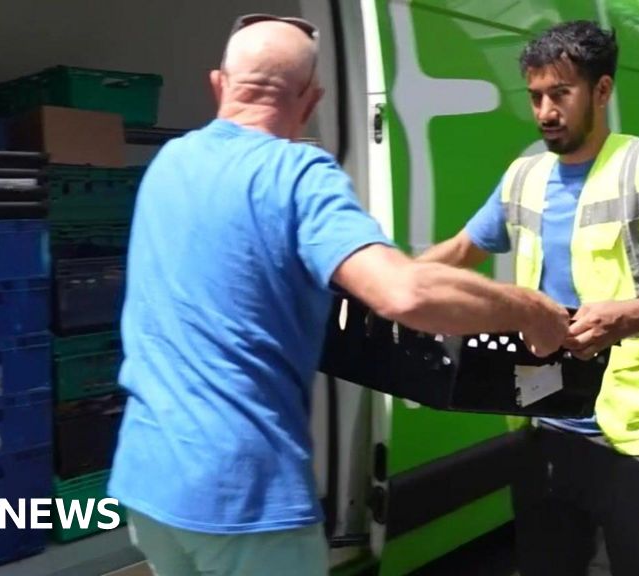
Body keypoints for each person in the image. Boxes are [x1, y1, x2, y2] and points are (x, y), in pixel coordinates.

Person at [108, 14, 570, 576]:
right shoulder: (298, 172)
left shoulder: (170, 162)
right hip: (246, 500)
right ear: (311, 99)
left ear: (218, 84)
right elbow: (404, 294)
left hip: (148, 481)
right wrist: (528, 309)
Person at [418, 20, 639, 576]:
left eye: (560, 94)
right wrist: (384, 282)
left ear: (601, 90)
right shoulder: (523, 177)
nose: (546, 112)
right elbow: (459, 250)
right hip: (545, 424)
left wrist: (627, 318)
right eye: (536, 97)